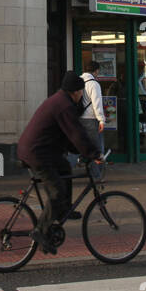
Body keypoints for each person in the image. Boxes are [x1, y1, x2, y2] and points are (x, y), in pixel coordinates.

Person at [16, 71, 101, 255]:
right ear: (76, 92)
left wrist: (81, 151)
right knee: (57, 192)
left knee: (64, 167)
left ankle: (64, 210)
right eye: (81, 92)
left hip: (38, 150)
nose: (81, 96)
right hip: (37, 154)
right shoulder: (64, 106)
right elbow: (76, 133)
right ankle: (40, 230)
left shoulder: (59, 100)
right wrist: (92, 153)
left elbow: (67, 137)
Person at [79, 62, 106, 183]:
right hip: (91, 119)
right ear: (95, 71)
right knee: (97, 148)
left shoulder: (78, 81)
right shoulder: (94, 84)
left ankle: (65, 171)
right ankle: (96, 176)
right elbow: (97, 103)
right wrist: (101, 119)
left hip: (79, 118)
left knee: (80, 146)